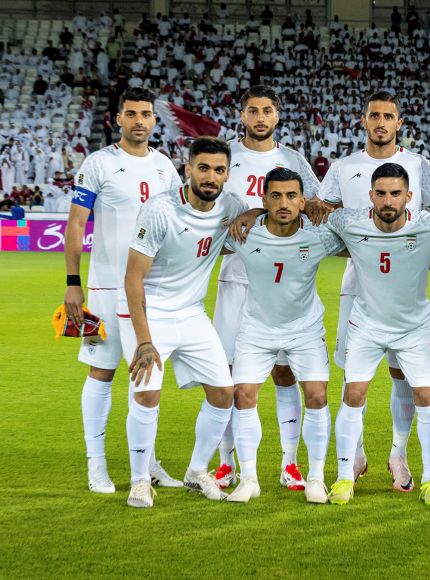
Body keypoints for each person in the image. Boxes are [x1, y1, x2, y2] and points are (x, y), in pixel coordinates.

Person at [317, 91, 430, 491]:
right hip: (358, 285)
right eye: (375, 116)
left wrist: (414, 255)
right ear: (363, 120)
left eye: (389, 115)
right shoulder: (344, 166)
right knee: (357, 377)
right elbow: (323, 214)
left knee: (402, 373)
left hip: (405, 289)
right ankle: (355, 455)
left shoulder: (419, 165)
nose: (381, 122)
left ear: (400, 122)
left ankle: (399, 452)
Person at [64, 87, 183, 495]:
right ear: (118, 119)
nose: (138, 120)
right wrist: (72, 285)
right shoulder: (98, 164)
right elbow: (76, 225)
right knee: (101, 370)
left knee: (148, 375)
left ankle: (147, 462)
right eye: (130, 113)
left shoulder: (167, 167)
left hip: (151, 291)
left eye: (145, 114)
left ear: (153, 120)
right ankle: (96, 465)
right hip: (102, 288)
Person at [121, 137, 248, 508]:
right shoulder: (160, 209)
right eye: (204, 168)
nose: (211, 176)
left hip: (192, 313)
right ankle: (140, 480)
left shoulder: (230, 205)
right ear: (188, 169)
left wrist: (253, 214)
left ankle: (196, 471)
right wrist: (144, 341)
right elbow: (133, 279)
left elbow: (251, 214)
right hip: (153, 312)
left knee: (223, 393)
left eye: (219, 170)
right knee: (147, 394)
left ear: (227, 174)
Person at [212, 85, 321, 491]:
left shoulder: (292, 159)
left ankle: (289, 463)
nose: (260, 117)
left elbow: (315, 204)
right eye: (253, 110)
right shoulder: (225, 156)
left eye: (267, 110)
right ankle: (226, 463)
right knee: (227, 376)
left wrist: (260, 209)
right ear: (242, 115)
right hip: (236, 278)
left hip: (284, 282)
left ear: (277, 116)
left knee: (284, 372)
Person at [324, 162, 430, 506]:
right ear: (370, 195)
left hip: (413, 328)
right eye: (380, 193)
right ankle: (342, 478)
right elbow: (315, 218)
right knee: (354, 393)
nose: (388, 200)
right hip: (366, 325)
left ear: (409, 196)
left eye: (396, 193)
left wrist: (423, 258)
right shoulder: (350, 221)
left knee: (425, 395)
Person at [224, 168, 345, 504]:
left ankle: (317, 478)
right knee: (243, 395)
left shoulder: (319, 235)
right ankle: (248, 479)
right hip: (257, 329)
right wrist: (250, 215)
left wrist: (324, 210)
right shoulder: (244, 234)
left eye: (292, 196)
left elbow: (359, 230)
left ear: (302, 200)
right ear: (263, 201)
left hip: (305, 329)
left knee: (317, 397)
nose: (284, 202)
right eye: (275, 195)